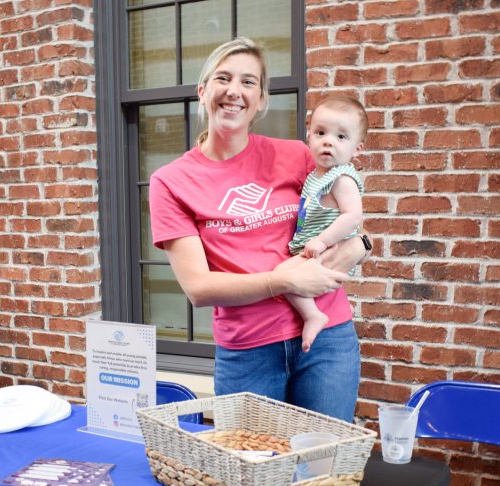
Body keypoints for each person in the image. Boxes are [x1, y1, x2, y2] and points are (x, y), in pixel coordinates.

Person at [148, 37, 371, 423]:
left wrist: (361, 246)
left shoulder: (297, 155)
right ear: (203, 92)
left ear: (262, 100)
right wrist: (279, 281)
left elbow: (346, 222)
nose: (234, 91)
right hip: (248, 351)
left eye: (249, 82)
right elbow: (199, 289)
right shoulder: (171, 181)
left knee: (324, 467)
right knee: (252, 470)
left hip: (327, 340)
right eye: (223, 78)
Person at [275, 95, 367, 352]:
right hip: (313, 246)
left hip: (324, 247)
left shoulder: (342, 178)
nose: (328, 141)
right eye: (321, 133)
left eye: (341, 137)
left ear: (356, 149)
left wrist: (322, 240)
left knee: (283, 276)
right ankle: (329, 307)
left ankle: (313, 315)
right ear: (309, 138)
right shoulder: (317, 174)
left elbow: (353, 216)